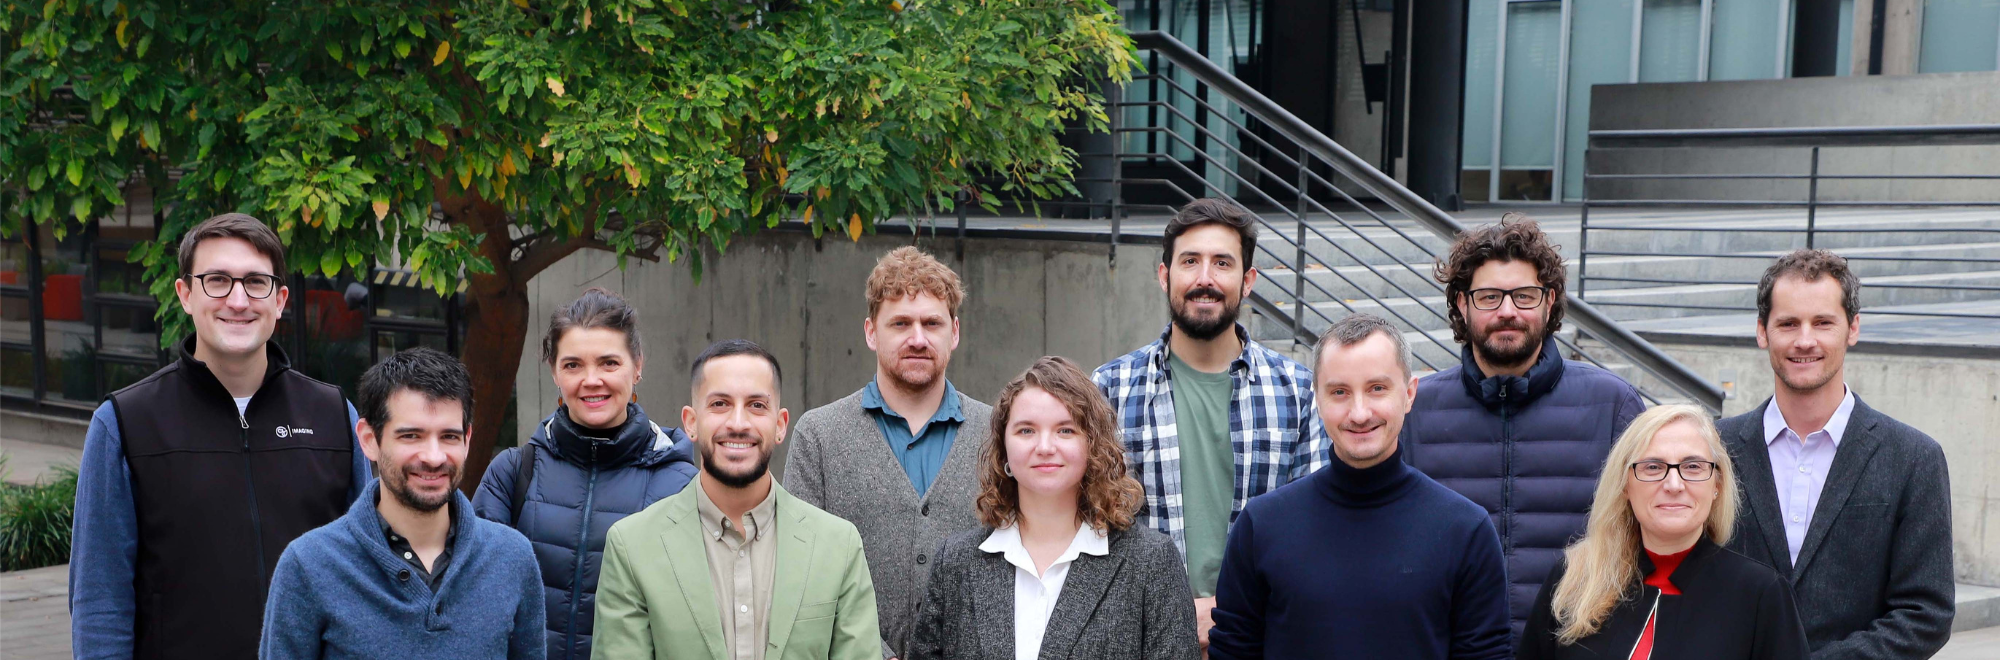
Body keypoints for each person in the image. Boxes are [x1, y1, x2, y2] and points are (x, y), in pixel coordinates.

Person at [70, 213, 373, 660]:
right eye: (217, 281)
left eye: (255, 282)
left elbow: (369, 572)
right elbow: (99, 601)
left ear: (280, 299)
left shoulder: (333, 416)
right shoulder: (125, 424)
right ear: (186, 295)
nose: (237, 300)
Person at [1091, 198, 1326, 651]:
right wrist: (1176, 608)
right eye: (1190, 262)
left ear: (1248, 281)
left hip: (1263, 635)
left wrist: (1227, 608)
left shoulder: (1299, 392)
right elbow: (1096, 524)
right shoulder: (1109, 390)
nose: (1205, 278)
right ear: (1165, 277)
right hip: (1142, 638)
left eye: (1222, 263)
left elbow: (1310, 529)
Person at [1208, 314, 1509, 660]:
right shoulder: (1261, 526)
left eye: (1377, 388)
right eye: (1340, 392)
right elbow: (1233, 651)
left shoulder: (1465, 530)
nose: (1360, 412)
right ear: (1317, 399)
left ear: (1409, 394)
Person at [1398, 215, 1645, 637]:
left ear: (1549, 301)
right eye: (1489, 296)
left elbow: (1643, 542)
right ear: (1462, 303)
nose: (1508, 311)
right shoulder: (1415, 409)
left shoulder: (1613, 405)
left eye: (1524, 296)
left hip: (1574, 648)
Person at [1719, 249, 1953, 657]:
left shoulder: (1914, 458)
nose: (1805, 340)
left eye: (1823, 323)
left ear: (1852, 329)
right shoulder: (1714, 449)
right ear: (1762, 332)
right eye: (1788, 323)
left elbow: (1925, 613)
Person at [592, 340, 882, 660]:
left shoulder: (838, 545)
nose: (738, 423)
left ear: (780, 424)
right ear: (691, 421)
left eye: (757, 405)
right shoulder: (632, 547)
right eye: (719, 404)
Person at [259, 348, 545, 658]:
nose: (433, 457)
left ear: (467, 439)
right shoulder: (308, 565)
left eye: (449, 436)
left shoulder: (512, 558)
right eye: (411, 436)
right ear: (369, 439)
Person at [908, 356, 1200, 660]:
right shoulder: (956, 563)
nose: (1045, 447)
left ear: (1093, 445)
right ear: (1003, 447)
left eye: (1065, 430)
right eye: (1026, 431)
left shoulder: (1151, 562)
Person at [785, 247, 993, 659]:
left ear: (953, 332)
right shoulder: (819, 436)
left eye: (931, 323)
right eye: (900, 323)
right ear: (871, 332)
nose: (918, 338)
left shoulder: (997, 435)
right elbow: (800, 571)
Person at [475, 288, 699, 660]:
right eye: (573, 365)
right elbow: (476, 599)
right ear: (554, 372)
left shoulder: (681, 483)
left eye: (609, 363)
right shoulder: (513, 473)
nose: (591, 380)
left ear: (637, 365)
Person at [1518, 405, 1808, 660]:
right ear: (1625, 485)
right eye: (1653, 466)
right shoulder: (1574, 578)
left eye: (1692, 466)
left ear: (1717, 483)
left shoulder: (1760, 595)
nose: (1673, 484)